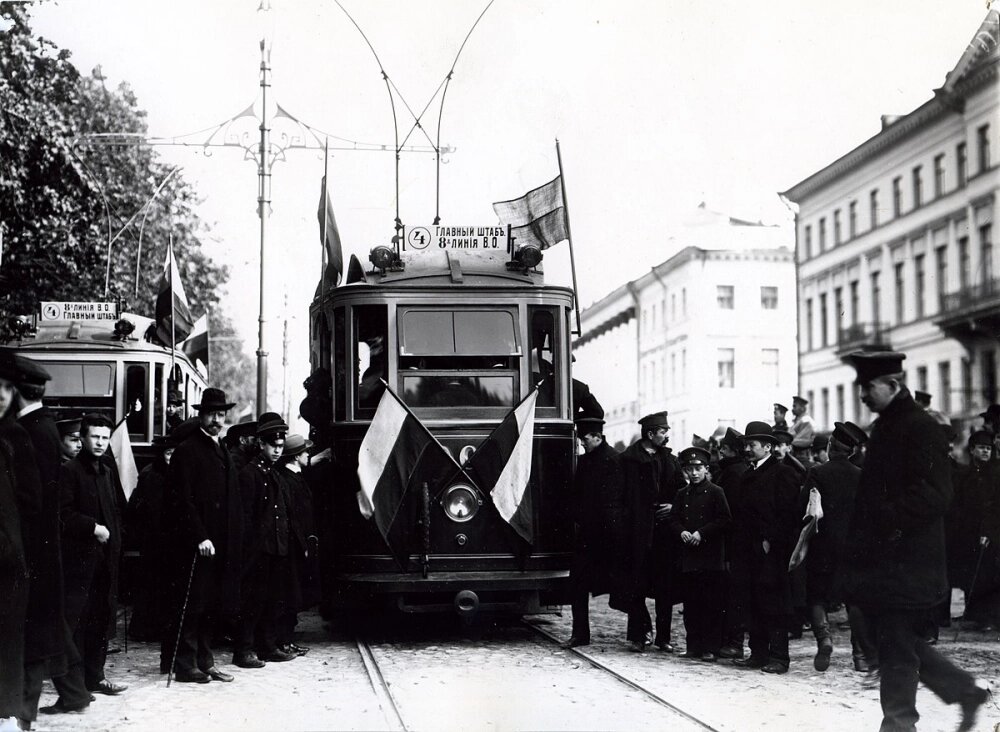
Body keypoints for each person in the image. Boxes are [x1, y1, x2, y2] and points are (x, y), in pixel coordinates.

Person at [840, 350, 989, 732]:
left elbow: (937, 494)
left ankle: (900, 725)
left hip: (908, 558)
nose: (862, 395)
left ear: (893, 385)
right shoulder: (889, 425)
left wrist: (885, 522)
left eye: (868, 387)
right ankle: (963, 692)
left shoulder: (919, 426)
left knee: (896, 644)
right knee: (894, 640)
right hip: (886, 559)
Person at [161, 387, 242, 684]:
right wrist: (199, 536)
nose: (216, 420)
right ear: (200, 415)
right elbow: (182, 500)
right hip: (196, 544)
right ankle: (185, 664)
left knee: (211, 604)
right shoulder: (187, 450)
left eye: (221, 415)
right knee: (193, 604)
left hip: (220, 543)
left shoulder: (221, 448)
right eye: (211, 414)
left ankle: (205, 661)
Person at [58, 413, 127, 696]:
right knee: (77, 622)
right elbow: (61, 515)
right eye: (95, 437)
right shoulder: (69, 471)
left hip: (104, 561)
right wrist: (93, 528)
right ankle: (74, 685)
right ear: (83, 438)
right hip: (78, 561)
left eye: (104, 437)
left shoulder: (107, 471)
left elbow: (114, 512)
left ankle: (95, 677)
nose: (100, 442)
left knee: (101, 618)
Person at [731, 421, 799, 674]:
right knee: (753, 601)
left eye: (752, 445)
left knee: (774, 603)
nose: (747, 449)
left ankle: (779, 657)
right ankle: (758, 654)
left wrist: (771, 540)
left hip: (772, 551)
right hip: (748, 550)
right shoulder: (749, 473)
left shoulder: (783, 473)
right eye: (746, 444)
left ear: (768, 446)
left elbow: (789, 513)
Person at [613, 411, 685, 653]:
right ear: (651, 433)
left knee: (665, 587)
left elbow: (682, 492)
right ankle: (639, 634)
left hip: (664, 534)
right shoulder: (627, 461)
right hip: (636, 534)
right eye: (663, 432)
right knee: (636, 585)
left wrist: (674, 506)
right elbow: (617, 498)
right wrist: (629, 522)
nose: (666, 436)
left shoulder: (669, 459)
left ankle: (663, 637)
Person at [800, 424, 862, 672]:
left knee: (817, 596)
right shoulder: (861, 475)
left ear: (830, 447)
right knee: (854, 600)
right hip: (853, 548)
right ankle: (860, 656)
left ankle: (824, 640)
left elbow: (804, 509)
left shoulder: (817, 473)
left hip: (822, 546)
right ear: (851, 451)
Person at [563, 414, 626, 648]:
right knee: (577, 583)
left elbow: (615, 501)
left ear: (598, 437)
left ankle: (642, 630)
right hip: (588, 536)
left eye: (585, 440)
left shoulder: (614, 460)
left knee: (623, 585)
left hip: (609, 536)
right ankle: (580, 634)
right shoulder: (585, 461)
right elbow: (577, 495)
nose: (583, 444)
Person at [668, 446, 731, 662]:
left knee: (710, 605)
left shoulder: (716, 492)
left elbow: (724, 520)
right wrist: (682, 532)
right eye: (690, 469)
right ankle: (693, 646)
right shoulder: (681, 494)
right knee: (691, 605)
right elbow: (673, 519)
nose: (694, 473)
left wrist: (701, 533)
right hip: (689, 558)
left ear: (706, 469)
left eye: (698, 468)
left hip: (710, 558)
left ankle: (710, 648)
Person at [0, 354, 30, 728]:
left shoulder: (9, 439)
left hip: (8, 564)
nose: (1, 396)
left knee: (8, 645)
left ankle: (6, 713)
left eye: (7, 389)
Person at [126, 433, 176, 642]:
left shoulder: (167, 473)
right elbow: (152, 510)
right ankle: (145, 628)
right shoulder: (152, 475)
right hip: (155, 538)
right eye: (168, 453)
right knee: (152, 584)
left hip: (162, 537)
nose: (171, 458)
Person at [274, 433, 318, 656]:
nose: (308, 455)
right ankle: (283, 640)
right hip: (293, 546)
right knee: (289, 594)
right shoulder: (288, 480)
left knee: (294, 592)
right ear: (295, 456)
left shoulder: (295, 476)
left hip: (300, 544)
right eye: (305, 452)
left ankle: (287, 640)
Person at [953, 431, 1000, 631]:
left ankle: (989, 618)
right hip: (970, 531)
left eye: (988, 448)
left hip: (991, 532)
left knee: (989, 575)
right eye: (981, 448)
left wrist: (988, 531)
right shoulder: (966, 474)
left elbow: (995, 507)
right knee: (972, 573)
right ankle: (974, 613)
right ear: (972, 450)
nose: (985, 452)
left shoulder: (995, 474)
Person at [715, 427, 749, 659]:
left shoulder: (732, 473)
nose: (718, 452)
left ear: (728, 450)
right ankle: (730, 640)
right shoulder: (736, 470)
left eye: (722, 448)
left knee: (732, 594)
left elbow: (730, 513)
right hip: (734, 542)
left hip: (731, 544)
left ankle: (734, 642)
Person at [790, 396, 815, 460]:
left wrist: (789, 442)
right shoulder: (798, 420)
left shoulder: (806, 421)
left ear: (802, 408)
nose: (792, 409)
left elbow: (802, 439)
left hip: (802, 455)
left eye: (795, 406)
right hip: (795, 454)